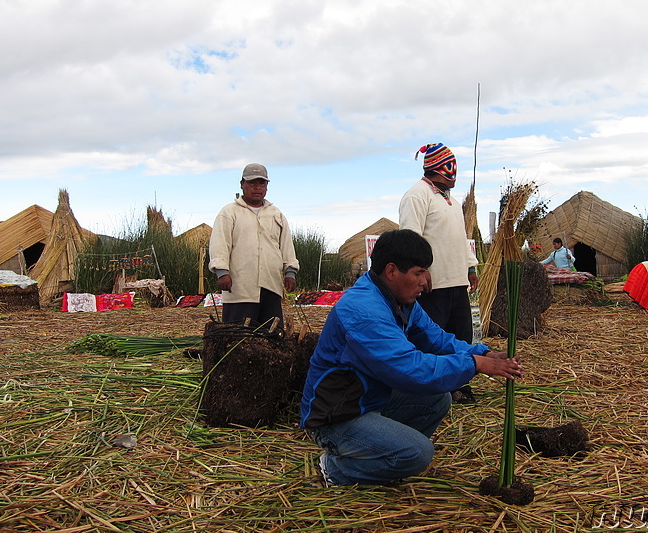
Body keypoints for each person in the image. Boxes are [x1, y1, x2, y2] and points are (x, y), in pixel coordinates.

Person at [299, 229, 523, 486]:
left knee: (438, 399)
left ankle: (384, 458)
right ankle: (336, 468)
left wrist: (481, 352)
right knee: (418, 453)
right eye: (418, 272)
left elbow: (435, 339)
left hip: (368, 400)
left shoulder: (400, 301)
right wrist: (474, 364)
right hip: (336, 416)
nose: (426, 281)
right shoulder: (363, 311)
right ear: (392, 271)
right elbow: (411, 369)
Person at [398, 143, 479, 403]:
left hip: (456, 282)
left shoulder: (452, 202)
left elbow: (461, 238)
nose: (454, 174)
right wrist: (420, 271)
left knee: (461, 336)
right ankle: (432, 393)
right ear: (437, 168)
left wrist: (470, 267)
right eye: (450, 167)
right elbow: (410, 237)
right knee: (432, 340)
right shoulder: (416, 195)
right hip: (431, 286)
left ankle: (460, 387)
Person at [208, 163, 299, 326]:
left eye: (261, 183)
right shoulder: (229, 212)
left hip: (271, 287)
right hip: (240, 288)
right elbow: (220, 243)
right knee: (238, 338)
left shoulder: (276, 214)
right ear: (242, 184)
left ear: (267, 186)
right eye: (252, 183)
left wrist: (290, 272)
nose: (257, 188)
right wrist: (222, 272)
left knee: (271, 339)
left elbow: (286, 245)